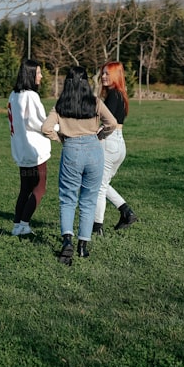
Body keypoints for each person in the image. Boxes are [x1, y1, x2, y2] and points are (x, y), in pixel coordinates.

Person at [42, 66, 117, 265]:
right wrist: (100, 135)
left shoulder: (61, 105)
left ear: (67, 82)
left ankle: (67, 239)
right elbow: (112, 122)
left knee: (67, 198)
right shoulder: (95, 102)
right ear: (85, 82)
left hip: (71, 151)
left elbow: (45, 128)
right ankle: (83, 246)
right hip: (94, 150)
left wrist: (59, 138)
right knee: (89, 199)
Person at [92, 61, 138, 235]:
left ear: (116, 75)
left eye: (107, 73)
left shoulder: (113, 95)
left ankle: (97, 228)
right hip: (119, 144)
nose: (103, 76)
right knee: (103, 183)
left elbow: (107, 123)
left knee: (99, 187)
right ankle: (126, 212)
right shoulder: (121, 94)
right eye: (102, 73)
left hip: (109, 142)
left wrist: (94, 136)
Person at [7, 59, 51, 237]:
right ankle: (24, 225)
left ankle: (17, 225)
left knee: (25, 188)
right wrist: (58, 129)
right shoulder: (31, 96)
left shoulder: (13, 94)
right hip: (35, 150)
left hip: (20, 149)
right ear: (30, 74)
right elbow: (40, 122)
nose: (40, 76)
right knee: (40, 188)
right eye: (38, 72)